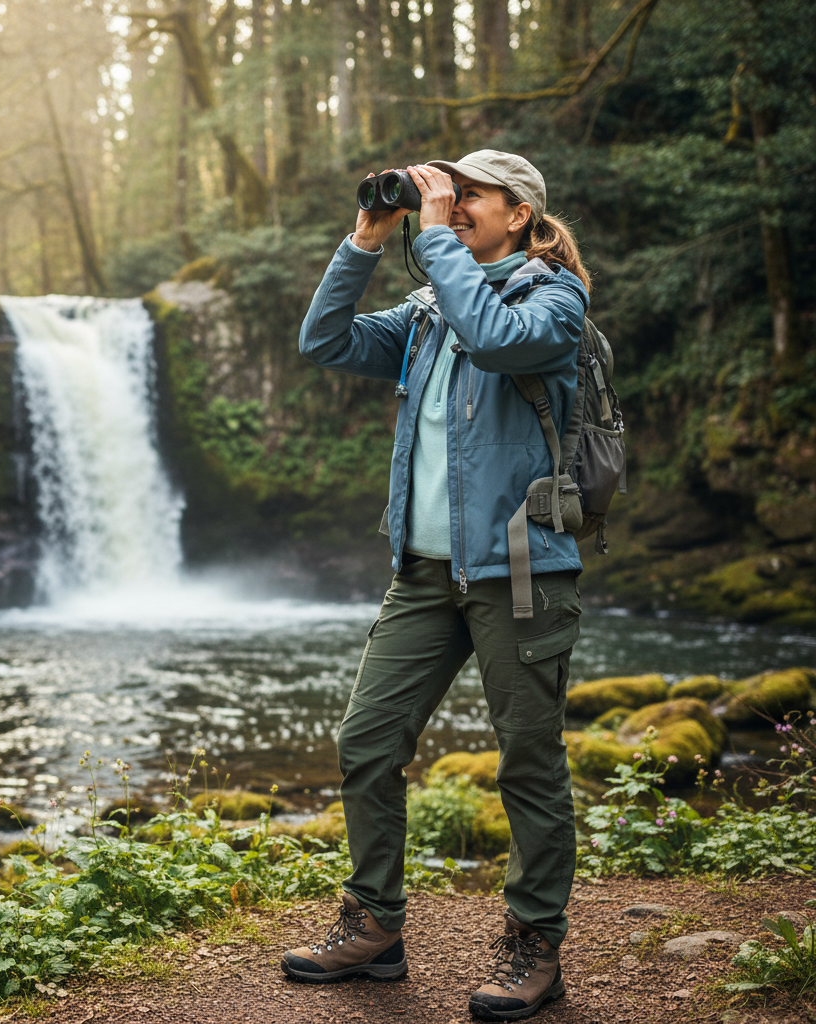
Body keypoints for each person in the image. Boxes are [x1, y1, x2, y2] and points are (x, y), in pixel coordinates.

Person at [281, 150, 591, 1022]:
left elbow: (495, 341)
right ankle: (374, 924)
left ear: (519, 214)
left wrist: (437, 236)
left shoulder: (552, 301)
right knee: (367, 742)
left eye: (467, 197)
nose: (448, 207)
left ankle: (535, 947)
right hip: (421, 575)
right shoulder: (426, 314)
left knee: (529, 760)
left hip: (518, 571)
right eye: (440, 194)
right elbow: (325, 342)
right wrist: (365, 240)